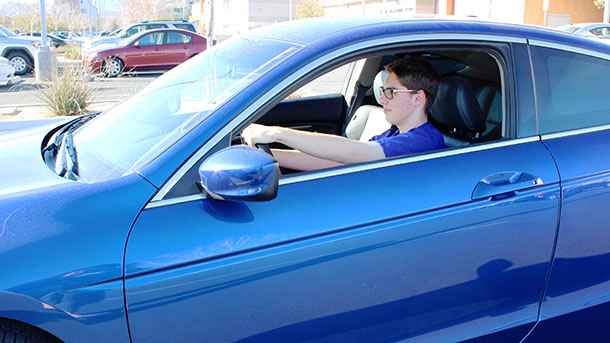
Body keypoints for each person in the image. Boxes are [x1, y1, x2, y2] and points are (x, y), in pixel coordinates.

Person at [242, 57, 445, 171]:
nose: (382, 99)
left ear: (418, 98)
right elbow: (335, 161)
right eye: (382, 92)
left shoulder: (425, 141)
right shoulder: (393, 134)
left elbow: (354, 153)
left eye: (390, 92)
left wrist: (278, 133)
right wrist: (266, 156)